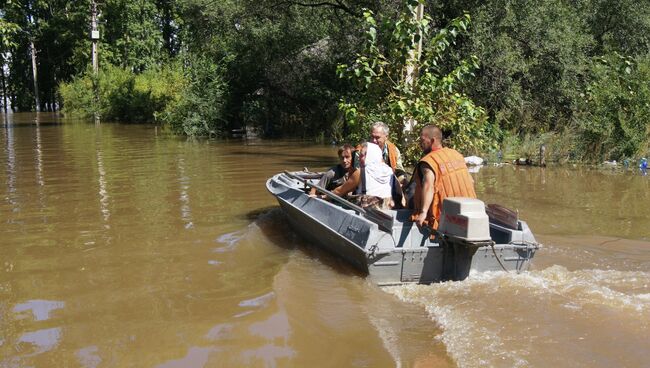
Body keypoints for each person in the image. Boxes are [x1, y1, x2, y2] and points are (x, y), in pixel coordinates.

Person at [411, 125, 477, 231]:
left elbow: (429, 186)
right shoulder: (456, 154)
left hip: (445, 216)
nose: (420, 144)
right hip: (471, 211)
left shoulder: (428, 161)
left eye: (422, 140)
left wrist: (423, 212)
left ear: (432, 140)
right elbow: (471, 181)